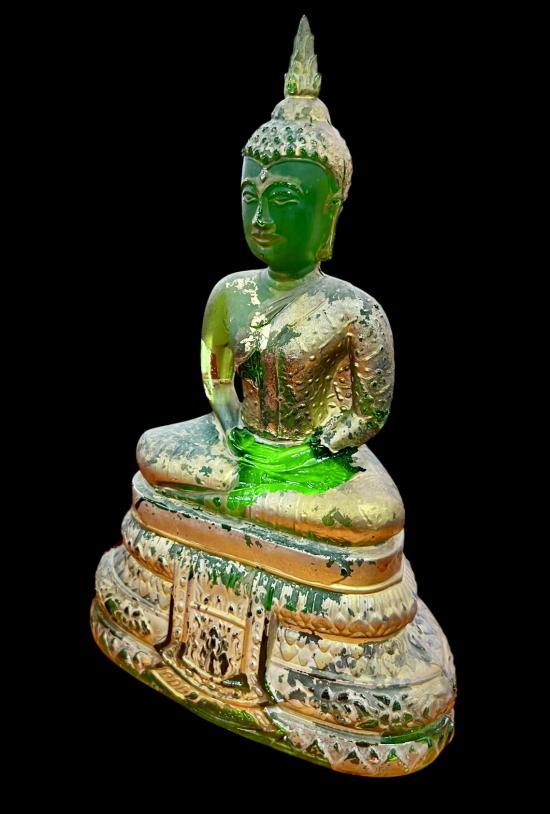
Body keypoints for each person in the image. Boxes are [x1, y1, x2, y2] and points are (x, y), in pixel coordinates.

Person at [136, 18, 404, 547]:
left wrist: (321, 446)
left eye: (282, 198)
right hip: (241, 443)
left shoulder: (357, 311)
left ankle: (254, 511)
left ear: (330, 211)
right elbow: (216, 374)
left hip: (313, 458)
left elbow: (371, 411)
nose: (260, 218)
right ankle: (253, 506)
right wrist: (233, 428)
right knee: (152, 449)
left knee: (374, 513)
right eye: (249, 197)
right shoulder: (230, 292)